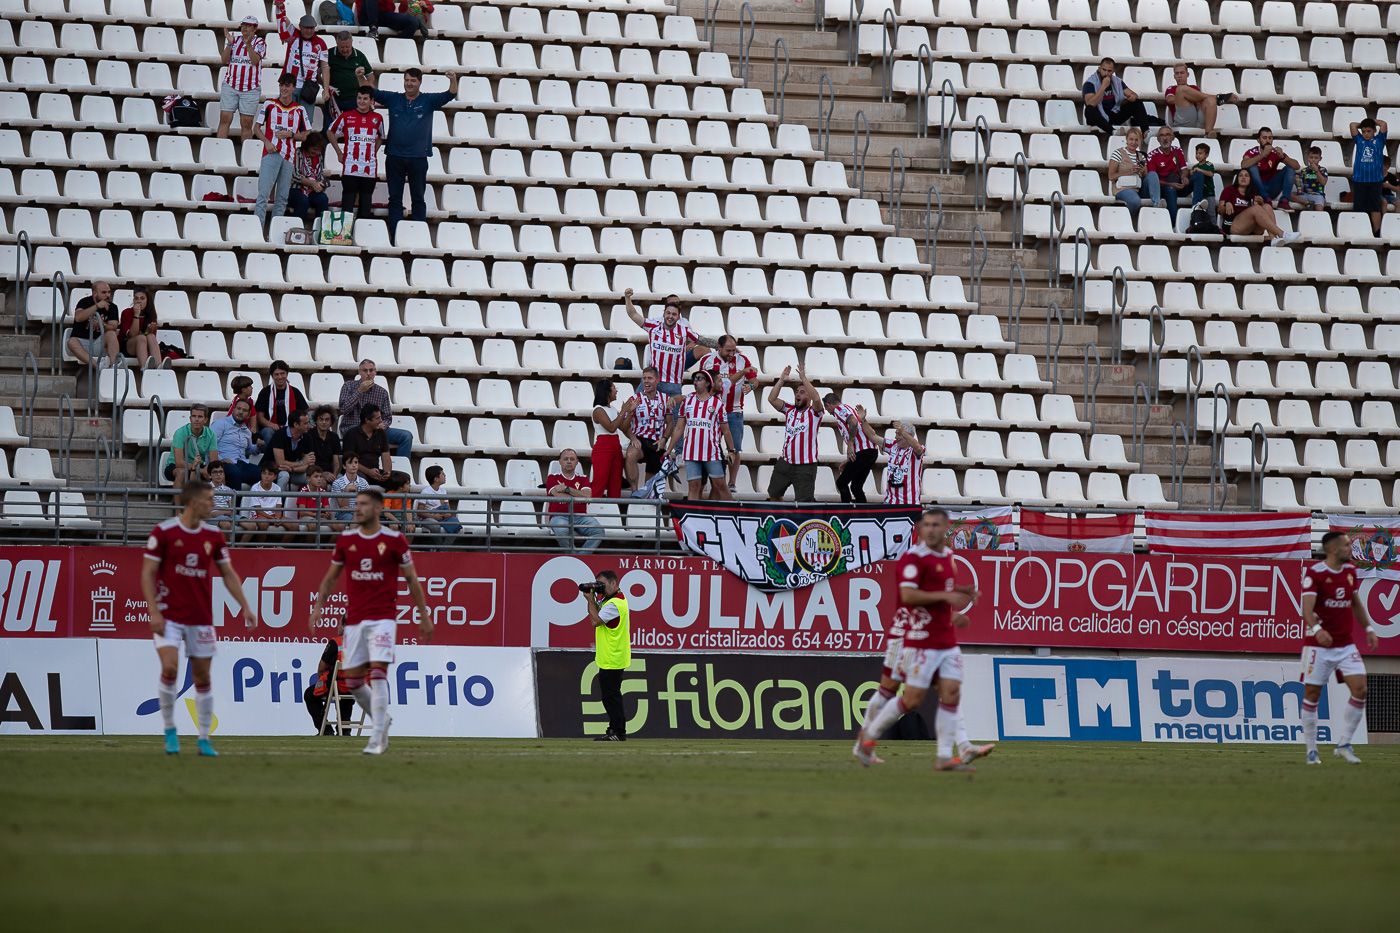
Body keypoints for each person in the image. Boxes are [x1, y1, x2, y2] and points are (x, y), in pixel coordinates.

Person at [856, 509, 988, 772]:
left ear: (945, 528)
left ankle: (947, 755)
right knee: (907, 697)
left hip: (945, 639)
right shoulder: (913, 559)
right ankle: (867, 737)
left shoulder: (948, 557)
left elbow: (941, 590)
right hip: (914, 638)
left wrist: (960, 595)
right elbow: (909, 596)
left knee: (950, 692)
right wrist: (946, 599)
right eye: (925, 525)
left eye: (935, 525)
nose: (930, 530)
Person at [308, 489, 432, 755]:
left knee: (377, 675)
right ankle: (382, 719)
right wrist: (318, 607)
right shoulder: (346, 540)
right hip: (354, 622)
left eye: (363, 504)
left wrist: (423, 614)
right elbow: (330, 578)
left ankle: (377, 737)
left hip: (383, 619)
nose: (357, 508)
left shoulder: (395, 540)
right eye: (357, 503)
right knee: (353, 682)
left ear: (377, 509)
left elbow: (411, 579)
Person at [142, 481, 256, 757]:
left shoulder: (214, 536)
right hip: (169, 615)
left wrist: (245, 605)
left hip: (200, 617)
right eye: (209, 499)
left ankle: (204, 738)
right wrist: (153, 611)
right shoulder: (165, 532)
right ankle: (170, 731)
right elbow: (147, 573)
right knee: (169, 668)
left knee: (203, 676)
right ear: (193, 502)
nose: (213, 503)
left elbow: (227, 573)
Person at [1300, 531, 1378, 765]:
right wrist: (1317, 630)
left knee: (1361, 689)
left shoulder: (1350, 572)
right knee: (1312, 695)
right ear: (1333, 549)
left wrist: (1369, 629)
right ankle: (1311, 750)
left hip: (1345, 644)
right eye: (1346, 545)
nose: (1350, 549)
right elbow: (1306, 610)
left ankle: (1343, 744)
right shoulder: (1315, 574)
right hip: (1318, 645)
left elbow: (1355, 604)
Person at [373, 68, 460, 234]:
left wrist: (453, 79)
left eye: (413, 80)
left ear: (420, 82)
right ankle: (396, 235)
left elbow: (450, 94)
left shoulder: (428, 100)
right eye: (407, 80)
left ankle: (418, 235)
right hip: (394, 155)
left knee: (418, 198)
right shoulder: (394, 98)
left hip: (418, 157)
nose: (409, 83)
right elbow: (372, 92)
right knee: (395, 199)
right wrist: (360, 77)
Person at [622, 288, 717, 399]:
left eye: (674, 314)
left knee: (674, 416)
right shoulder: (653, 326)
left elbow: (703, 341)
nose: (670, 316)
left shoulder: (684, 331)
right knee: (635, 408)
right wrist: (627, 298)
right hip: (653, 381)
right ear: (664, 313)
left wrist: (721, 345)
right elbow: (633, 314)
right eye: (668, 313)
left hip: (673, 384)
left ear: (678, 316)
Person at [665, 371, 738, 501]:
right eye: (694, 379)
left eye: (699, 379)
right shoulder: (687, 401)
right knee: (693, 486)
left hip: (711, 451)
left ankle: (733, 514)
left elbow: (726, 430)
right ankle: (693, 519)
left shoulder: (717, 404)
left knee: (720, 485)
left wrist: (731, 450)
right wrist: (669, 449)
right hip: (691, 451)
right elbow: (679, 428)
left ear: (708, 383)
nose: (695, 381)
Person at [697, 335, 755, 493]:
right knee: (709, 447)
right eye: (728, 350)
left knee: (735, 449)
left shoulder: (742, 359)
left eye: (734, 350)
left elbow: (754, 380)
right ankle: (708, 482)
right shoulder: (708, 360)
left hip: (734, 410)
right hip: (712, 411)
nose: (731, 353)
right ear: (719, 348)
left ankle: (732, 483)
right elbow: (702, 382)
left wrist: (751, 386)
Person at [253, 73, 311, 228]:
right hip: (271, 153)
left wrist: (291, 134)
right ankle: (257, 231)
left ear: (293, 88)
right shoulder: (270, 104)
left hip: (289, 156)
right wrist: (266, 142)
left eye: (287, 85)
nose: (284, 88)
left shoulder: (299, 109)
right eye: (282, 85)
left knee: (282, 198)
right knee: (263, 196)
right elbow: (256, 128)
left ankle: (275, 232)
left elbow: (306, 135)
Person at [585, 570, 631, 741]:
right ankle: (615, 730)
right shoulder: (615, 599)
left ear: (614, 583)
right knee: (611, 696)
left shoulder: (614, 604)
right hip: (613, 656)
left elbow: (595, 621)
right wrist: (594, 600)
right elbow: (598, 615)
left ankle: (618, 731)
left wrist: (590, 600)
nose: (600, 588)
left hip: (613, 657)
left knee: (611, 697)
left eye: (602, 585)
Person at [766, 365, 823, 502]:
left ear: (808, 395)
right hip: (785, 462)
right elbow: (772, 399)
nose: (798, 394)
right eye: (797, 392)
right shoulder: (790, 410)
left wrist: (803, 378)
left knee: (804, 502)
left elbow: (816, 399)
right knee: (773, 494)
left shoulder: (814, 413)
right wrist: (781, 380)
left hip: (805, 466)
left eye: (802, 392)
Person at [328, 86, 384, 221]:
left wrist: (373, 152)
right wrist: (339, 153)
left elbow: (381, 137)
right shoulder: (346, 116)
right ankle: (344, 236)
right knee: (347, 204)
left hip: (368, 168)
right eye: (359, 98)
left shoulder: (378, 118)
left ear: (371, 100)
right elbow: (330, 132)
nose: (362, 101)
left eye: (365, 99)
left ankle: (361, 235)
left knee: (365, 205)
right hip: (350, 167)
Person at [337, 360, 410, 457]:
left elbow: (387, 417)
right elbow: (343, 409)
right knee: (362, 434)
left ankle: (402, 469)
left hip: (376, 429)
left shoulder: (382, 392)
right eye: (365, 370)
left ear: (375, 372)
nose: (368, 374)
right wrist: (359, 391)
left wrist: (382, 425)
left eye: (371, 370)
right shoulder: (348, 386)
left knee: (406, 436)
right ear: (359, 372)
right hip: (353, 426)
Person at [275, 2, 330, 122]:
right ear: (300, 26)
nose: (309, 31)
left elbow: (325, 67)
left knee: (305, 122)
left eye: (311, 28)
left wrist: (325, 89)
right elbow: (283, 19)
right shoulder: (293, 34)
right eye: (306, 28)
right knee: (285, 119)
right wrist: (280, 7)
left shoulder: (321, 43)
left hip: (308, 88)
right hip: (290, 86)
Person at [546, 448, 605, 553]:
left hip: (580, 516)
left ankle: (580, 557)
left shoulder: (583, 478)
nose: (569, 461)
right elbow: (556, 495)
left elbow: (587, 496)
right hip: (559, 515)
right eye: (566, 459)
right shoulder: (552, 478)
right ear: (560, 461)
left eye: (572, 459)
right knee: (562, 530)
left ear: (577, 462)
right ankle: (573, 556)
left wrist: (566, 489)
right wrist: (578, 496)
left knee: (598, 531)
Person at [1217, 169, 1299, 245]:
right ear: (1237, 179)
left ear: (1250, 179)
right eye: (1241, 175)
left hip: (1252, 228)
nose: (1243, 177)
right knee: (1256, 209)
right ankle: (1282, 234)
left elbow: (1259, 213)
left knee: (1267, 206)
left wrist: (1261, 203)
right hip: (1233, 226)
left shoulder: (1253, 192)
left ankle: (1273, 239)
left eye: (1246, 176)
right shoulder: (1229, 190)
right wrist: (1226, 204)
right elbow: (1220, 210)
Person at [216, 15, 265, 140]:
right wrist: (229, 44)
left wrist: (248, 46)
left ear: (255, 28)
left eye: (249, 26)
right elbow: (224, 60)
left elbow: (255, 61)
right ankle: (220, 152)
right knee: (225, 118)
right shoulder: (234, 40)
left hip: (250, 87)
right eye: (243, 25)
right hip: (230, 84)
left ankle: (246, 155)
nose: (245, 28)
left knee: (247, 122)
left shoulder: (260, 42)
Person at [825, 395, 879, 503]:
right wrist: (849, 460)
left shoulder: (838, 409)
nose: (827, 411)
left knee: (842, 483)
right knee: (856, 487)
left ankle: (847, 513)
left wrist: (850, 443)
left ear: (828, 405)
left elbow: (853, 422)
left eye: (826, 408)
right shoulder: (848, 408)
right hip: (871, 451)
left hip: (863, 451)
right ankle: (862, 515)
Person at [624, 366, 669, 494]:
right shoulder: (634, 399)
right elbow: (623, 425)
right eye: (644, 378)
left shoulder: (666, 399)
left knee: (649, 485)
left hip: (657, 442)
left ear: (657, 380)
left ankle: (645, 495)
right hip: (640, 438)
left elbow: (671, 423)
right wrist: (632, 438)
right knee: (631, 454)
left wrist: (664, 439)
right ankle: (634, 492)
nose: (646, 381)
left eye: (650, 378)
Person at [1163, 63, 1234, 138]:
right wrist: (1185, 97)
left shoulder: (1195, 88)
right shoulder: (1171, 88)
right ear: (1174, 76)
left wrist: (1192, 97)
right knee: (1181, 89)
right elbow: (1169, 100)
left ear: (1187, 74)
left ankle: (1208, 132)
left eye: (1182, 73)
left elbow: (1201, 102)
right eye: (1177, 73)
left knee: (1210, 100)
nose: (1180, 75)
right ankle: (1218, 98)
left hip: (1198, 119)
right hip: (1183, 120)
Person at [1081, 57, 1150, 134]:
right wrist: (1103, 87)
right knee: (1089, 110)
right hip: (1098, 117)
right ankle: (1113, 131)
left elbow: (1132, 94)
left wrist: (1133, 96)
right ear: (1099, 69)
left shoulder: (1117, 81)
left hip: (1113, 114)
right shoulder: (1090, 83)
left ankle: (1146, 132)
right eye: (1104, 70)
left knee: (1137, 102)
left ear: (1113, 71)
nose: (1106, 73)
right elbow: (1090, 103)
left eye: (1109, 71)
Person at [590, 378, 632, 500]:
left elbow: (623, 426)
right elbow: (611, 427)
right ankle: (590, 510)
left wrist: (629, 413)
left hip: (615, 447)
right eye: (614, 388)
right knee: (600, 482)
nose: (616, 391)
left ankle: (614, 513)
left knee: (615, 483)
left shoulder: (612, 409)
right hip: (603, 448)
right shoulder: (598, 410)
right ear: (607, 391)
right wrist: (623, 411)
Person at [304, 635, 355, 736]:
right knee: (345, 692)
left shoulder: (336, 643)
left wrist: (322, 679)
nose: (338, 626)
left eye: (340, 623)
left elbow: (321, 668)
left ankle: (326, 730)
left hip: (337, 685)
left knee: (309, 695)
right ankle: (345, 730)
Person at [254, 359, 309, 448]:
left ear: (287, 374)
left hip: (292, 427)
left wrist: (294, 427)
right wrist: (271, 425)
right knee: (268, 432)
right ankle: (270, 460)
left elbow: (304, 413)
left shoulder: (295, 392)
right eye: (276, 374)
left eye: (282, 373)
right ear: (272, 376)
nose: (280, 377)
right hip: (271, 428)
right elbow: (259, 417)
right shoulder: (265, 392)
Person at [1241, 127, 1299, 210]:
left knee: (1290, 168)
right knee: (1252, 168)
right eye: (1264, 138)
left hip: (1272, 187)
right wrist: (1262, 155)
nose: (1268, 141)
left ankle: (1284, 201)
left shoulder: (1275, 152)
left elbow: (1297, 166)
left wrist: (1283, 157)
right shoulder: (1252, 152)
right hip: (1257, 190)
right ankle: (1265, 197)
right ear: (1258, 140)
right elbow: (1243, 164)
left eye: (1270, 138)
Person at [1349, 118, 1390, 235]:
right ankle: (1358, 231)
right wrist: (1363, 123)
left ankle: (1377, 232)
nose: (1366, 134)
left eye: (1369, 131)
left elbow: (1384, 123)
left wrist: (1372, 121)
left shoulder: (1380, 140)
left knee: (1375, 208)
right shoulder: (1359, 140)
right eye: (1364, 131)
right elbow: (1352, 124)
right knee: (1359, 208)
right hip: (1359, 180)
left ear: (1374, 131)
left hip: (1375, 180)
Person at [66, 281, 118, 368]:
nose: (108, 295)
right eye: (104, 292)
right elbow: (78, 318)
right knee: (71, 342)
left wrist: (102, 324)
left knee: (111, 334)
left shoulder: (112, 307)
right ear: (95, 293)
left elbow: (113, 327)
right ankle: (98, 366)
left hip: (98, 343)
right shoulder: (84, 302)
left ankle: (113, 367)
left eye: (109, 292)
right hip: (82, 342)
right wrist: (96, 306)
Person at [166, 404, 219, 488]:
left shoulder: (211, 434)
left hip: (198, 465)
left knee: (218, 473)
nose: (196, 419)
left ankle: (221, 500)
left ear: (205, 420)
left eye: (200, 417)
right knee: (182, 473)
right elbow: (179, 462)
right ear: (190, 419)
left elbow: (214, 461)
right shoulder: (180, 433)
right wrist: (201, 471)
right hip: (176, 466)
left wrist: (208, 470)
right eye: (194, 416)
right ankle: (177, 501)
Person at [1146, 125, 1191, 225]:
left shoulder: (1178, 151)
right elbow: (1152, 179)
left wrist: (1184, 177)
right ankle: (1173, 225)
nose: (1165, 138)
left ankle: (1198, 207)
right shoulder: (1152, 156)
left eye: (1168, 135)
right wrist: (1170, 184)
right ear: (1158, 139)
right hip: (1162, 188)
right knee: (1170, 190)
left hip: (1178, 184)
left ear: (1173, 137)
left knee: (1199, 175)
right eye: (1162, 135)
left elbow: (1184, 169)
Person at [212, 399, 261, 489]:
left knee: (262, 473)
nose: (241, 412)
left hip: (241, 463)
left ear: (248, 414)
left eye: (244, 410)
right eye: (238, 408)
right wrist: (221, 460)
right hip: (223, 463)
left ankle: (257, 503)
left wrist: (258, 446)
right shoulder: (221, 424)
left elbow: (249, 450)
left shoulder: (247, 431)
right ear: (233, 409)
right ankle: (235, 503)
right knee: (235, 473)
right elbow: (210, 446)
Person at [325, 30, 372, 123]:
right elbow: (317, 73)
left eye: (347, 46)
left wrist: (367, 89)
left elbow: (370, 75)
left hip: (354, 99)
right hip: (334, 99)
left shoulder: (359, 55)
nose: (345, 49)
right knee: (330, 127)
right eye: (342, 47)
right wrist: (326, 87)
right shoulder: (328, 54)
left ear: (352, 43)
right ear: (337, 43)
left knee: (353, 127)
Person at [341, 404, 393, 485]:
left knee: (402, 479)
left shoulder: (381, 433)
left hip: (375, 472)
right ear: (367, 420)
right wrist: (368, 472)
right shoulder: (351, 434)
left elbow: (385, 455)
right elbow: (349, 461)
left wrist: (387, 473)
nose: (381, 421)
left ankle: (389, 498)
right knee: (361, 481)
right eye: (378, 418)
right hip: (357, 471)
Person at [1107, 127, 1152, 220]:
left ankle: (1156, 204)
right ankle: (1126, 221)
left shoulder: (1141, 156)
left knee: (1153, 175)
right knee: (1135, 201)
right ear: (1126, 140)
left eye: (1136, 140)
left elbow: (1145, 176)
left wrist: (1143, 170)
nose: (1134, 142)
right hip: (1123, 189)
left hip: (1138, 188)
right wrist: (1129, 171)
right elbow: (1111, 176)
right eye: (1131, 139)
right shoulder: (1118, 153)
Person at [287, 131, 330, 226]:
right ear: (307, 145)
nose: (317, 152)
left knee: (323, 199)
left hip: (312, 190)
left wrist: (321, 185)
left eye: (319, 150)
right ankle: (296, 228)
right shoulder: (298, 153)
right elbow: (295, 175)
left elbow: (320, 175)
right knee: (303, 201)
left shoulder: (319, 157)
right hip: (295, 189)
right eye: (314, 149)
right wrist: (312, 183)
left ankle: (321, 230)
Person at [270, 408, 317, 490]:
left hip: (294, 471)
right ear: (296, 424)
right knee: (284, 475)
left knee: (313, 479)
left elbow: (310, 465)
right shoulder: (280, 435)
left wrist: (292, 469)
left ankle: (310, 502)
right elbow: (280, 463)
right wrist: (302, 462)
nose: (309, 426)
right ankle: (279, 502)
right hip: (273, 471)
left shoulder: (307, 437)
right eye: (305, 423)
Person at [881, 421, 925, 506]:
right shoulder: (893, 445)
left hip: (910, 503)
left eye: (899, 434)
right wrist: (863, 421)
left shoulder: (915, 450)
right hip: (889, 502)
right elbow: (873, 437)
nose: (896, 437)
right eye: (896, 433)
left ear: (908, 435)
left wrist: (903, 432)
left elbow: (918, 449)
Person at [241, 462, 292, 536]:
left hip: (273, 515)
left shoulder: (277, 488)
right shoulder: (255, 488)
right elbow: (258, 511)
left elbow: (278, 507)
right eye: (264, 473)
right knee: (263, 523)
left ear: (275, 477)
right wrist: (272, 519)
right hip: (258, 515)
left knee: (294, 525)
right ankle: (260, 546)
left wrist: (277, 518)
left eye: (270, 474)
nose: (266, 476)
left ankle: (281, 546)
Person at [118, 286, 162, 370]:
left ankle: (159, 366)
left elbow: (149, 337)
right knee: (141, 338)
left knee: (151, 336)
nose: (139, 301)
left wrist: (150, 331)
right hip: (127, 346)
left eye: (142, 298)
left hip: (144, 347)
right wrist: (136, 315)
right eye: (136, 298)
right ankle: (144, 368)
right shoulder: (126, 312)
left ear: (147, 300)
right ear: (133, 300)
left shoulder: (151, 314)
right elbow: (132, 335)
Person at [415, 464, 461, 537]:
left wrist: (447, 514)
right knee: (435, 526)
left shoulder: (443, 491)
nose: (445, 475)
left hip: (442, 518)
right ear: (436, 479)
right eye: (442, 474)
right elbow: (420, 512)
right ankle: (438, 546)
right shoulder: (425, 492)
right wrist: (434, 516)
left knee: (456, 525)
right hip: (428, 518)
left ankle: (443, 547)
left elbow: (448, 510)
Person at [331, 452, 371, 525]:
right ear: (344, 466)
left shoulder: (364, 482)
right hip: (343, 514)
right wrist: (347, 491)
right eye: (350, 463)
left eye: (356, 462)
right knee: (352, 519)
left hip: (360, 512)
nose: (354, 465)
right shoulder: (337, 483)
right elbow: (343, 506)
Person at [294, 468, 335, 533]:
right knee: (313, 525)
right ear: (308, 478)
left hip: (320, 518)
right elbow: (302, 512)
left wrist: (328, 513)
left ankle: (326, 543)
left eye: (321, 477)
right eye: (316, 476)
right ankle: (308, 543)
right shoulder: (303, 491)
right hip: (306, 518)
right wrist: (317, 514)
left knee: (339, 526)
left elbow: (327, 509)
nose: (319, 479)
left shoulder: (323, 492)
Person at [305, 405, 343, 476]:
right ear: (316, 421)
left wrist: (333, 477)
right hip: (313, 473)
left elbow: (336, 463)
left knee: (344, 483)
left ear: (331, 422)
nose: (324, 422)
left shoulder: (334, 437)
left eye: (327, 419)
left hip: (331, 473)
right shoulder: (309, 436)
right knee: (321, 483)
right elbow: (310, 463)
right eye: (321, 419)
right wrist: (322, 474)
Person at [358, 0, 426, 37]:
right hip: (367, 17)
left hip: (384, 16)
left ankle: (397, 44)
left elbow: (390, 9)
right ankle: (373, 29)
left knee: (413, 22)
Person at [1290, 146, 1329, 211]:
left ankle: (1319, 218)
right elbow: (1301, 186)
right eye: (1311, 157)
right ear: (1308, 158)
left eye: (1316, 158)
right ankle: (1308, 203)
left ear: (1320, 159)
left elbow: (1323, 182)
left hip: (1317, 195)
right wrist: (1297, 181)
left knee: (1319, 206)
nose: (1313, 160)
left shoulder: (1323, 170)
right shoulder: (1304, 171)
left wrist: (1317, 171)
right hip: (1305, 195)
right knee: (1289, 194)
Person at [208, 463, 238, 531]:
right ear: (210, 475)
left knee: (251, 525)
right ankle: (225, 542)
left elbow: (233, 511)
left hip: (228, 516)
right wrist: (225, 511)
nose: (218, 474)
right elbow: (209, 513)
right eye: (215, 472)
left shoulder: (228, 489)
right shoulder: (205, 488)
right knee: (227, 525)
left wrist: (224, 512)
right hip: (213, 518)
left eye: (221, 472)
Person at [1188, 142, 1218, 208]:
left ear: (1206, 155)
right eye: (1196, 153)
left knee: (1211, 213)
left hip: (1209, 194)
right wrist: (1191, 173)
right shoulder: (1195, 166)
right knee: (1200, 211)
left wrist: (1200, 170)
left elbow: (1211, 174)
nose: (1198, 155)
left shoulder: (1209, 164)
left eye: (1200, 153)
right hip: (1199, 194)